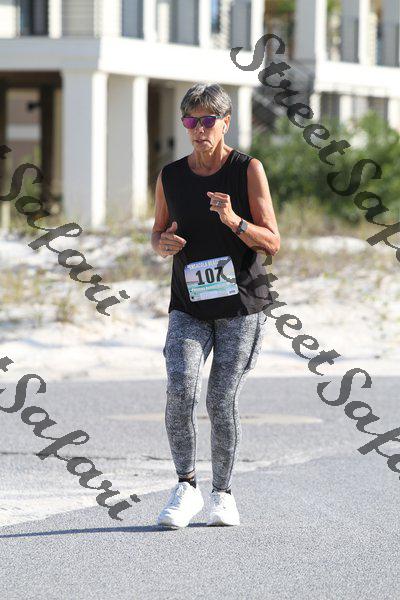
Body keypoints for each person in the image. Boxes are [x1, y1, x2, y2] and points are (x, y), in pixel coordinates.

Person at [151, 83, 280, 529]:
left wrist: (233, 220)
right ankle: (185, 487)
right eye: (191, 120)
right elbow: (157, 233)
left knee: (220, 400)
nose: (199, 129)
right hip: (188, 305)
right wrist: (162, 244)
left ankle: (222, 495)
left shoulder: (247, 170)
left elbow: (272, 242)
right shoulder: (171, 176)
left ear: (225, 122)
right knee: (180, 388)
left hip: (241, 307)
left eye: (208, 120)